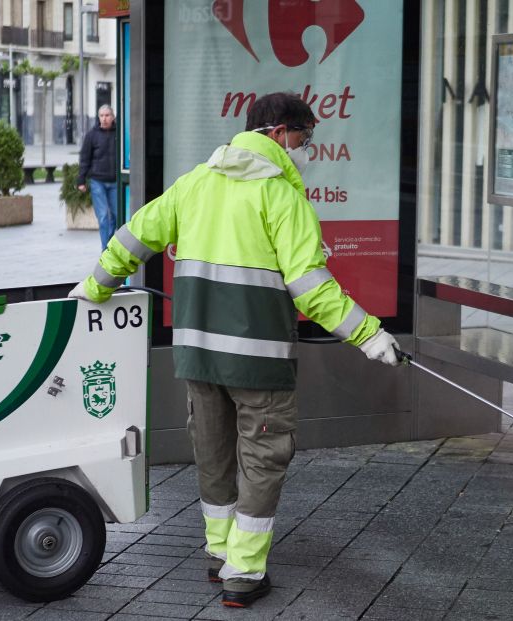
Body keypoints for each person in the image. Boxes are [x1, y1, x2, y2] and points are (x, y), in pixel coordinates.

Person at [68, 92, 400, 608]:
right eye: (303, 138)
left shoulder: (195, 183)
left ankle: (220, 552)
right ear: (275, 133)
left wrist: (94, 286)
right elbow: (312, 287)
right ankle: (243, 571)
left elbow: (134, 236)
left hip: (198, 355)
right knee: (263, 458)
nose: (305, 150)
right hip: (258, 360)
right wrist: (370, 335)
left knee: (214, 454)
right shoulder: (281, 199)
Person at [77, 104, 118, 250]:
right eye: (102, 116)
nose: (104, 119)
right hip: (97, 182)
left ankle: (110, 245)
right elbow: (85, 158)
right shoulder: (92, 135)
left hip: (115, 182)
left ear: (113, 117)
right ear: (98, 117)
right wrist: (81, 180)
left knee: (116, 216)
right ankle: (105, 250)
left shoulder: (119, 133)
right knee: (103, 218)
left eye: (107, 115)